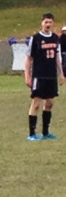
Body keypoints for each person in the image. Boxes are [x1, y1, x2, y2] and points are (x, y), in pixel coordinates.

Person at [24, 13, 65, 141]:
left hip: (51, 76)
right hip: (39, 76)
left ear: (53, 23)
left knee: (50, 103)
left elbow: (57, 58)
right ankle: (32, 134)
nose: (48, 25)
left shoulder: (55, 38)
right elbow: (28, 59)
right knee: (36, 104)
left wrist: (61, 74)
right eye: (46, 22)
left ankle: (46, 132)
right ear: (42, 23)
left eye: (50, 22)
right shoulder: (35, 38)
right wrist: (27, 75)